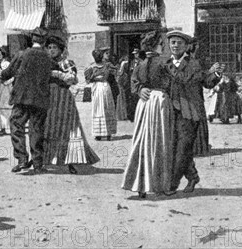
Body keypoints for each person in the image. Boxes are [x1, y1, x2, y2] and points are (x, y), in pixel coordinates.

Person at [165, 31, 223, 193]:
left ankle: (171, 184)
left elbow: (206, 82)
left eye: (179, 43)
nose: (175, 45)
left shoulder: (194, 64)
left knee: (183, 149)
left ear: (186, 46)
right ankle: (192, 177)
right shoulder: (166, 63)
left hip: (190, 112)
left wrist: (216, 75)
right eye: (173, 42)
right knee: (177, 148)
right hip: (171, 112)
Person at [122, 31, 173, 198]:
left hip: (144, 104)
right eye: (162, 44)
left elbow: (133, 83)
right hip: (159, 102)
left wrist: (140, 89)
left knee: (142, 141)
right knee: (160, 141)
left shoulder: (140, 65)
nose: (164, 46)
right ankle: (161, 185)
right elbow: (173, 83)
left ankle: (140, 185)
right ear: (157, 45)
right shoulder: (164, 63)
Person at [43, 35, 100, 174]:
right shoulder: (44, 62)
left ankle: (70, 161)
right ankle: (49, 158)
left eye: (54, 48)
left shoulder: (67, 63)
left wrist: (56, 74)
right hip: (50, 97)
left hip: (63, 97)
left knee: (68, 126)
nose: (51, 50)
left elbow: (72, 80)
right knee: (50, 126)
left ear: (61, 50)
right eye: (49, 48)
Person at [1, 28, 52, 173]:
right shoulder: (48, 57)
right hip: (41, 98)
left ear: (31, 40)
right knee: (37, 130)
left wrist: (2, 75)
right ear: (44, 42)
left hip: (22, 98)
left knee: (16, 125)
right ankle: (37, 164)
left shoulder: (22, 54)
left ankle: (22, 158)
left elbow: (7, 73)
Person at [84, 48, 118, 141]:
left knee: (102, 108)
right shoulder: (97, 66)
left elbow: (88, 80)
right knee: (101, 108)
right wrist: (99, 77)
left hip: (102, 87)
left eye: (99, 55)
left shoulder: (96, 66)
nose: (98, 57)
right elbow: (88, 80)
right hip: (102, 87)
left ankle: (104, 133)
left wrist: (95, 77)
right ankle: (102, 133)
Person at [0, 47, 13, 135]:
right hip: (0, 87)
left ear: (3, 55)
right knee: (0, 107)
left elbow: (12, 76)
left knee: (6, 107)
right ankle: (0, 127)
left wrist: (7, 82)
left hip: (6, 87)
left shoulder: (6, 64)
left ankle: (7, 127)